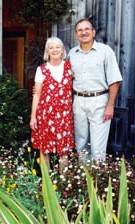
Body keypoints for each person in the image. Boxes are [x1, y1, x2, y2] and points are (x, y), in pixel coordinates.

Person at [68, 18, 123, 163]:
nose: (83, 32)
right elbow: (64, 79)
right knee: (80, 144)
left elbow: (114, 80)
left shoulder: (105, 51)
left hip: (99, 101)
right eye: (80, 30)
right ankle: (82, 180)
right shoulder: (71, 54)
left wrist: (110, 106)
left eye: (87, 29)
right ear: (76, 34)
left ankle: (97, 180)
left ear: (93, 32)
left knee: (98, 147)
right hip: (78, 101)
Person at [30, 37, 75, 172]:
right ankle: (46, 185)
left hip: (64, 116)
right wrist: (33, 117)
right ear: (47, 51)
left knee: (64, 150)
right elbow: (37, 94)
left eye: (57, 47)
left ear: (62, 50)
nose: (54, 50)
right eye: (51, 47)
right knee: (44, 150)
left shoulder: (69, 67)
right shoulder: (42, 69)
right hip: (45, 115)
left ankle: (63, 185)